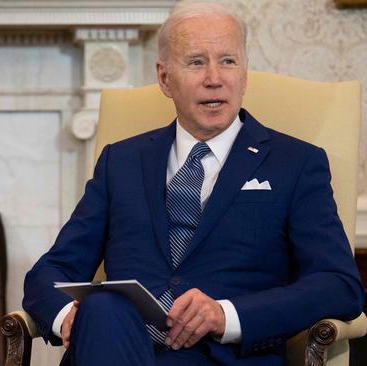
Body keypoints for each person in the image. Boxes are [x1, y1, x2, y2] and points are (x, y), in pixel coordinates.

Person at [22, 2, 364, 366]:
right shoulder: (121, 161)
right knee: (103, 307)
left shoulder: (295, 163)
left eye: (228, 61)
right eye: (196, 62)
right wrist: (68, 317)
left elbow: (338, 284)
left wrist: (225, 314)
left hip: (221, 356)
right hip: (117, 347)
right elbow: (50, 272)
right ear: (165, 78)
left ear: (245, 74)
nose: (214, 78)